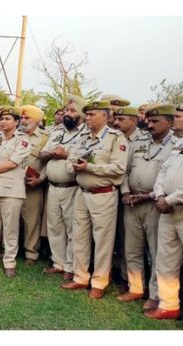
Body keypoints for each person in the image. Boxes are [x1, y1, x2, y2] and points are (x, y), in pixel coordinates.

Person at [61, 100, 128, 299]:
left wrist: (89, 168)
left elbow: (118, 168)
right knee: (79, 236)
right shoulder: (83, 137)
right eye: (87, 115)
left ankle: (99, 282)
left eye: (92, 115)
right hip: (82, 192)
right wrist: (72, 166)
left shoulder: (116, 138)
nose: (87, 118)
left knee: (102, 241)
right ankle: (81, 277)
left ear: (106, 116)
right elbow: (71, 158)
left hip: (103, 194)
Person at [119, 105, 175, 307]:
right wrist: (125, 192)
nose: (149, 125)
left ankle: (155, 295)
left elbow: (172, 178)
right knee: (131, 249)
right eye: (149, 121)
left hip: (156, 204)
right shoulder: (140, 141)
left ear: (169, 122)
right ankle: (136, 288)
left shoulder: (176, 145)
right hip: (132, 201)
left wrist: (149, 195)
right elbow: (124, 171)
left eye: (155, 121)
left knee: (157, 251)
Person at [39, 95, 86, 281]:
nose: (67, 113)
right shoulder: (57, 131)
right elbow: (42, 153)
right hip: (53, 186)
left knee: (72, 228)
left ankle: (70, 265)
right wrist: (52, 153)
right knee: (54, 226)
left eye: (72, 111)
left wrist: (65, 154)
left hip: (72, 187)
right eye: (66, 110)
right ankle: (57, 262)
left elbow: (83, 159)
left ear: (82, 115)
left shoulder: (85, 133)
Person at [145, 106, 183, 320]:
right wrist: (160, 195)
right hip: (167, 209)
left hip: (177, 206)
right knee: (166, 259)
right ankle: (168, 305)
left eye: (177, 117)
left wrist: (168, 199)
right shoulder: (178, 145)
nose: (174, 120)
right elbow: (164, 172)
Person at [0, 106, 30, 277]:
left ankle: (9, 262)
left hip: (11, 191)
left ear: (16, 122)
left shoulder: (22, 140)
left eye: (7, 119)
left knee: (10, 229)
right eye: (1, 119)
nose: (3, 122)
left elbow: (12, 163)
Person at [18, 105, 49, 265]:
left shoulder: (45, 137)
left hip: (33, 185)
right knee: (10, 219)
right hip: (13, 184)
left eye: (27, 118)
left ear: (36, 120)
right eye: (21, 118)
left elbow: (49, 163)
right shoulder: (15, 135)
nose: (23, 121)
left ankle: (31, 253)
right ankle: (9, 248)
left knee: (32, 220)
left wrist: (41, 179)